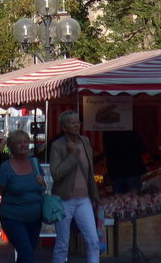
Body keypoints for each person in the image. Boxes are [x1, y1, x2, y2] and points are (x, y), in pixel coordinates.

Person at [0, 130, 44, 263]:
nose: (23, 145)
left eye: (25, 142)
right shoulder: (6, 169)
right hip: (13, 218)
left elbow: (42, 190)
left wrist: (43, 184)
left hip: (35, 219)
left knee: (27, 253)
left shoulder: (35, 164)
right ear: (11, 147)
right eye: (18, 143)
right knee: (26, 254)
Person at [49, 112, 100, 263]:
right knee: (63, 244)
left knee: (93, 241)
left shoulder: (85, 141)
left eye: (78, 122)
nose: (77, 125)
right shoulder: (57, 146)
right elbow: (56, 173)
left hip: (84, 199)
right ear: (64, 127)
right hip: (64, 200)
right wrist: (72, 156)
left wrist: (94, 193)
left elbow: (90, 171)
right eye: (72, 123)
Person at [102, 129, 145, 195]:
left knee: (120, 201)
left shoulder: (107, 132)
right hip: (132, 170)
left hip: (116, 172)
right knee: (134, 200)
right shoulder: (131, 131)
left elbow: (106, 150)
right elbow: (141, 149)